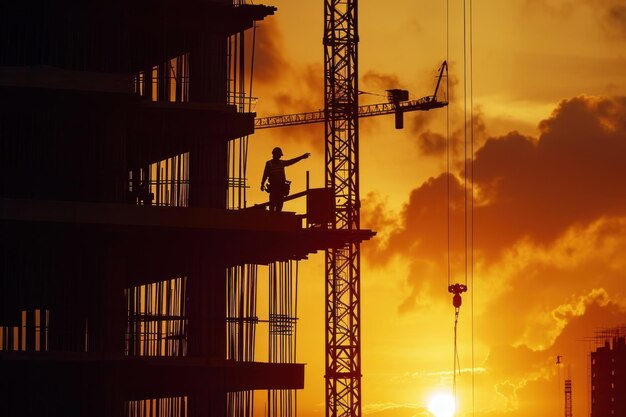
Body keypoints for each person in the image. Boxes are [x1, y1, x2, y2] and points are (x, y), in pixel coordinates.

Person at [261, 147, 310, 212]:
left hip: (280, 189)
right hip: (274, 189)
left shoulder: (281, 163)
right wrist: (262, 184)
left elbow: (291, 161)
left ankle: (276, 219)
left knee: (279, 208)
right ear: (274, 154)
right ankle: (273, 219)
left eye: (279, 155)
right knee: (272, 208)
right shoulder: (269, 164)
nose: (279, 157)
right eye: (278, 155)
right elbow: (265, 174)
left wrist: (302, 157)